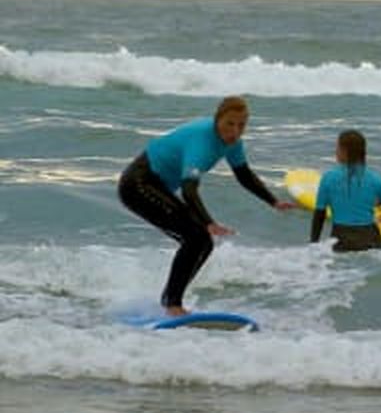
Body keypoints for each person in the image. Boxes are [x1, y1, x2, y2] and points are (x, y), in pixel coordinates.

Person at [118, 96, 293, 316]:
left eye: (242, 125)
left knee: (203, 243)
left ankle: (169, 301)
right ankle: (172, 305)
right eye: (230, 123)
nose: (236, 131)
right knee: (196, 237)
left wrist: (273, 201)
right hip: (138, 184)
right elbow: (189, 189)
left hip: (156, 185)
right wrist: (208, 222)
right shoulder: (202, 141)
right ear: (217, 120)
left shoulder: (233, 143)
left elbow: (244, 175)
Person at [311, 130, 381, 251]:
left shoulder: (328, 178)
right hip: (370, 238)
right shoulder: (375, 179)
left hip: (341, 239)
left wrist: (313, 243)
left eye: (337, 148)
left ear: (344, 151)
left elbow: (319, 214)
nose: (335, 152)